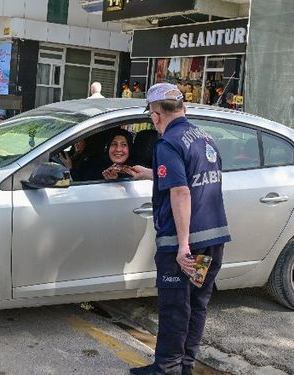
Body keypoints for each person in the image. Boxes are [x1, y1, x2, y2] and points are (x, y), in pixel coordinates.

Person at [126, 83, 231, 375]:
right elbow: (192, 176)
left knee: (175, 307)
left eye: (151, 116)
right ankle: (182, 365)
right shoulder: (203, 137)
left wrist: (183, 245)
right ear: (182, 108)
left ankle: (166, 369)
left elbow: (182, 192)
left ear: (156, 115)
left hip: (185, 244)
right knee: (196, 303)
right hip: (212, 238)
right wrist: (151, 174)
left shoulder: (168, 142)